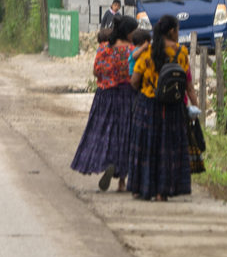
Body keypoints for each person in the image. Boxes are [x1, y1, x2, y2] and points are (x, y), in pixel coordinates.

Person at [127, 14, 198, 201]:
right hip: (173, 108)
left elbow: (134, 80)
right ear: (172, 31)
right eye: (178, 29)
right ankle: (162, 192)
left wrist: (146, 86)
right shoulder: (181, 53)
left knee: (147, 147)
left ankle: (141, 188)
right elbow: (188, 84)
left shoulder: (147, 52)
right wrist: (195, 108)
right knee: (168, 149)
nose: (178, 33)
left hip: (148, 106)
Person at [71, 14, 138, 192]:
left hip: (104, 96)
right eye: (134, 30)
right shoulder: (132, 50)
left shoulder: (103, 48)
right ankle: (122, 181)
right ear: (128, 32)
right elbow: (136, 75)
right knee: (126, 135)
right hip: (127, 96)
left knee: (105, 133)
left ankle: (107, 162)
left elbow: (95, 71)